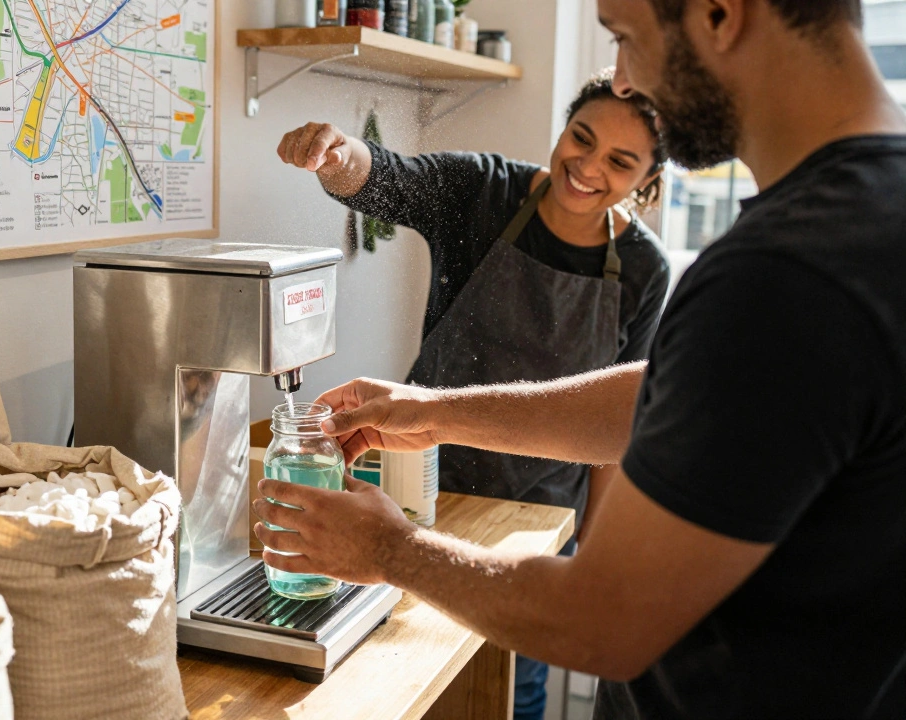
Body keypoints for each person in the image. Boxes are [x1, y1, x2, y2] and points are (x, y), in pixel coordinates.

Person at [253, 0, 906, 717]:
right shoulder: (867, 222)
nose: (624, 78)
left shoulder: (788, 269)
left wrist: (390, 551)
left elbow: (604, 621)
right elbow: (678, 393)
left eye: (625, 38)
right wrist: (432, 411)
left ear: (720, 14)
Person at [277, 74, 670, 720]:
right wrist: (338, 155)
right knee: (401, 683)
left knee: (512, 695)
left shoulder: (644, 270)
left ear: (646, 181)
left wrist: (587, 555)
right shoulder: (483, 192)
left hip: (537, 530)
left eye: (620, 162)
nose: (588, 166)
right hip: (422, 496)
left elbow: (615, 436)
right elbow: (389, 179)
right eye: (581, 138)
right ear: (565, 125)